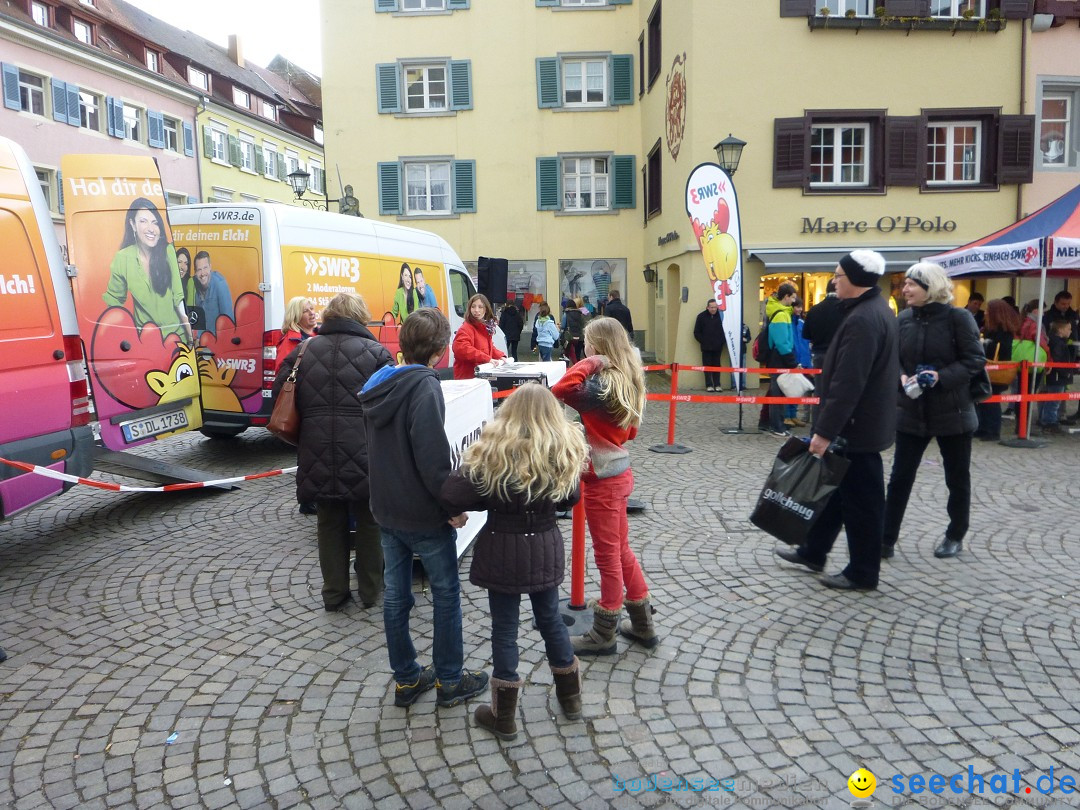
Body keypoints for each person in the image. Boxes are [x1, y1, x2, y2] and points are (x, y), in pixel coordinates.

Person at [440, 385, 588, 740]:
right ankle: (571, 700)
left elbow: (453, 493)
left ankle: (503, 716)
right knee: (551, 620)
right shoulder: (561, 449)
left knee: (504, 629)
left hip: (503, 548)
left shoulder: (496, 454)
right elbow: (572, 498)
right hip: (544, 545)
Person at [358, 308, 489, 709]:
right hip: (420, 514)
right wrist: (453, 506)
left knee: (396, 598)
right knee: (446, 595)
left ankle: (407, 679)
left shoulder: (379, 386)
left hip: (386, 508)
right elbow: (434, 463)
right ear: (439, 349)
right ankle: (449, 680)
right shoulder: (424, 388)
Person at [774, 249, 898, 591]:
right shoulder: (873, 310)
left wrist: (825, 432)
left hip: (856, 429)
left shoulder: (863, 319)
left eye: (839, 275)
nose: (834, 280)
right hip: (859, 424)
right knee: (837, 493)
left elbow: (849, 382)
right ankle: (814, 550)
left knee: (863, 504)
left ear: (855, 280)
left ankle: (862, 572)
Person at [273, 293, 392, 611]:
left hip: (317, 449)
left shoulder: (305, 349)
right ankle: (370, 589)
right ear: (360, 316)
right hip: (366, 450)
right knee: (369, 521)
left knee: (328, 522)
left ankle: (334, 593)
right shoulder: (377, 353)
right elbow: (391, 405)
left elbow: (280, 392)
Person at [552, 317, 658, 655]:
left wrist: (592, 362)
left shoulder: (600, 384)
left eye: (587, 342)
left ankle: (604, 633)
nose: (583, 347)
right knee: (621, 551)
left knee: (608, 557)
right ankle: (643, 625)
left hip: (602, 481)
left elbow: (561, 389)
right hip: (619, 475)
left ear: (597, 346)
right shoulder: (627, 381)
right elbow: (631, 433)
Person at [880, 263, 985, 561]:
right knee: (900, 477)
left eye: (912, 284)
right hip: (912, 411)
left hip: (953, 411)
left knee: (956, 478)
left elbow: (975, 360)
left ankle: (955, 534)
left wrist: (941, 377)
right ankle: (886, 539)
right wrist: (900, 376)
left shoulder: (959, 318)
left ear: (931, 287)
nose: (905, 289)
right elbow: (894, 358)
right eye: (906, 284)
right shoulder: (903, 319)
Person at [103, 197, 193, 344]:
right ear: (132, 224)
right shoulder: (122, 258)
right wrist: (124, 338)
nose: (151, 228)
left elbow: (178, 300)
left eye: (155, 222)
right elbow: (114, 302)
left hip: (176, 339)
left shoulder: (168, 251)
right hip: (145, 342)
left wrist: (191, 339)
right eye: (143, 221)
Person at [974, 299, 1020, 442]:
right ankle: (982, 427)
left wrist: (985, 343)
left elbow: (1002, 350)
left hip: (996, 370)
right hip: (987, 368)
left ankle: (993, 430)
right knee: (982, 398)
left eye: (988, 310)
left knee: (992, 399)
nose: (985, 312)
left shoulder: (1003, 331)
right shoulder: (991, 328)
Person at [764, 282, 799, 438]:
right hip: (779, 358)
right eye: (792, 298)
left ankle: (776, 424)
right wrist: (792, 362)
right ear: (786, 297)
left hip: (780, 357)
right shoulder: (780, 314)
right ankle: (776, 426)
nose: (794, 301)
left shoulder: (782, 313)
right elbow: (782, 342)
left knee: (779, 393)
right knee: (778, 394)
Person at [452, 294, 507, 379]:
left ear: (486, 309)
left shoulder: (484, 327)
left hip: (479, 377)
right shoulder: (466, 328)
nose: (476, 310)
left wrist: (500, 356)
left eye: (480, 307)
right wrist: (487, 358)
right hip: (467, 379)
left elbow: (489, 347)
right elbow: (462, 349)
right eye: (473, 307)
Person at [1039, 320, 1075, 435]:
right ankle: (1049, 422)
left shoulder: (1056, 341)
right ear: (1060, 330)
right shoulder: (1058, 343)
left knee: (1052, 400)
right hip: (1058, 376)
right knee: (1054, 401)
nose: (1070, 331)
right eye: (1068, 329)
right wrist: (1066, 372)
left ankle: (1047, 421)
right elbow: (1058, 361)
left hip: (1057, 376)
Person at [802, 279, 845, 371]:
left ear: (826, 290)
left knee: (820, 384)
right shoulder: (846, 309)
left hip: (819, 355)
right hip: (840, 354)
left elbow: (806, 335)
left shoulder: (814, 310)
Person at [191, 251, 234, 335]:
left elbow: (227, 319)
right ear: (195, 272)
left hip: (218, 341)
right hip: (203, 341)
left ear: (210, 267)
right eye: (199, 269)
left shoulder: (220, 284)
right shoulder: (194, 286)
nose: (203, 273)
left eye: (205, 268)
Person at [785, 299, 812, 428]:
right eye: (797, 307)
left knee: (797, 390)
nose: (799, 309)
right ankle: (787, 416)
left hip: (803, 361)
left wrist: (807, 363)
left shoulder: (802, 323)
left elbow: (806, 343)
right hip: (792, 361)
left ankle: (793, 415)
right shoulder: (787, 322)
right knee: (789, 390)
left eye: (801, 307)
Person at [693, 299, 725, 392]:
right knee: (706, 366)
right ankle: (709, 385)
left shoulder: (721, 316)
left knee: (717, 366)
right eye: (712, 307)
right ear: (707, 307)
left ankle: (717, 384)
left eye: (715, 307)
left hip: (718, 346)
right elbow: (696, 332)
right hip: (706, 347)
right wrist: (703, 341)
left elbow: (725, 331)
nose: (714, 309)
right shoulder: (701, 317)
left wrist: (721, 342)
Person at [561, 299, 587, 365]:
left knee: (567, 353)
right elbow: (582, 324)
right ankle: (577, 365)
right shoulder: (580, 313)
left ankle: (567, 367)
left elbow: (563, 326)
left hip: (569, 336)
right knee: (576, 353)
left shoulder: (566, 313)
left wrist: (561, 334)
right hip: (579, 336)